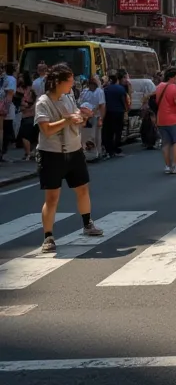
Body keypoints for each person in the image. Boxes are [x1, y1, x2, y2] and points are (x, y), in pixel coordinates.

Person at [34, 63, 102, 254]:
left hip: (74, 150)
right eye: (69, 82)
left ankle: (87, 223)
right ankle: (48, 236)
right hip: (51, 153)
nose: (71, 86)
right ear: (57, 82)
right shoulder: (43, 102)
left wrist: (83, 117)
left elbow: (77, 120)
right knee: (52, 196)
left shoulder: (68, 98)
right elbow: (46, 129)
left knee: (82, 189)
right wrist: (67, 120)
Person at [153, 67, 176, 175]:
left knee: (165, 143)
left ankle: (167, 166)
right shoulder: (174, 88)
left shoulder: (159, 86)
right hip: (173, 119)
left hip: (161, 119)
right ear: (174, 76)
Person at [102, 72, 129, 158]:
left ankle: (109, 149)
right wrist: (126, 110)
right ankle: (115, 148)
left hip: (108, 112)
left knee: (108, 132)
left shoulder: (105, 89)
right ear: (117, 80)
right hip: (119, 112)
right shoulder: (120, 89)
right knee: (118, 131)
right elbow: (124, 100)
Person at [16, 71, 36, 160]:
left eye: (21, 77)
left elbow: (33, 101)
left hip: (29, 114)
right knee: (26, 135)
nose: (20, 79)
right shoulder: (19, 88)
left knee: (25, 135)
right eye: (19, 77)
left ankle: (28, 153)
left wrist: (27, 106)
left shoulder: (30, 89)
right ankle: (28, 153)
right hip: (23, 115)